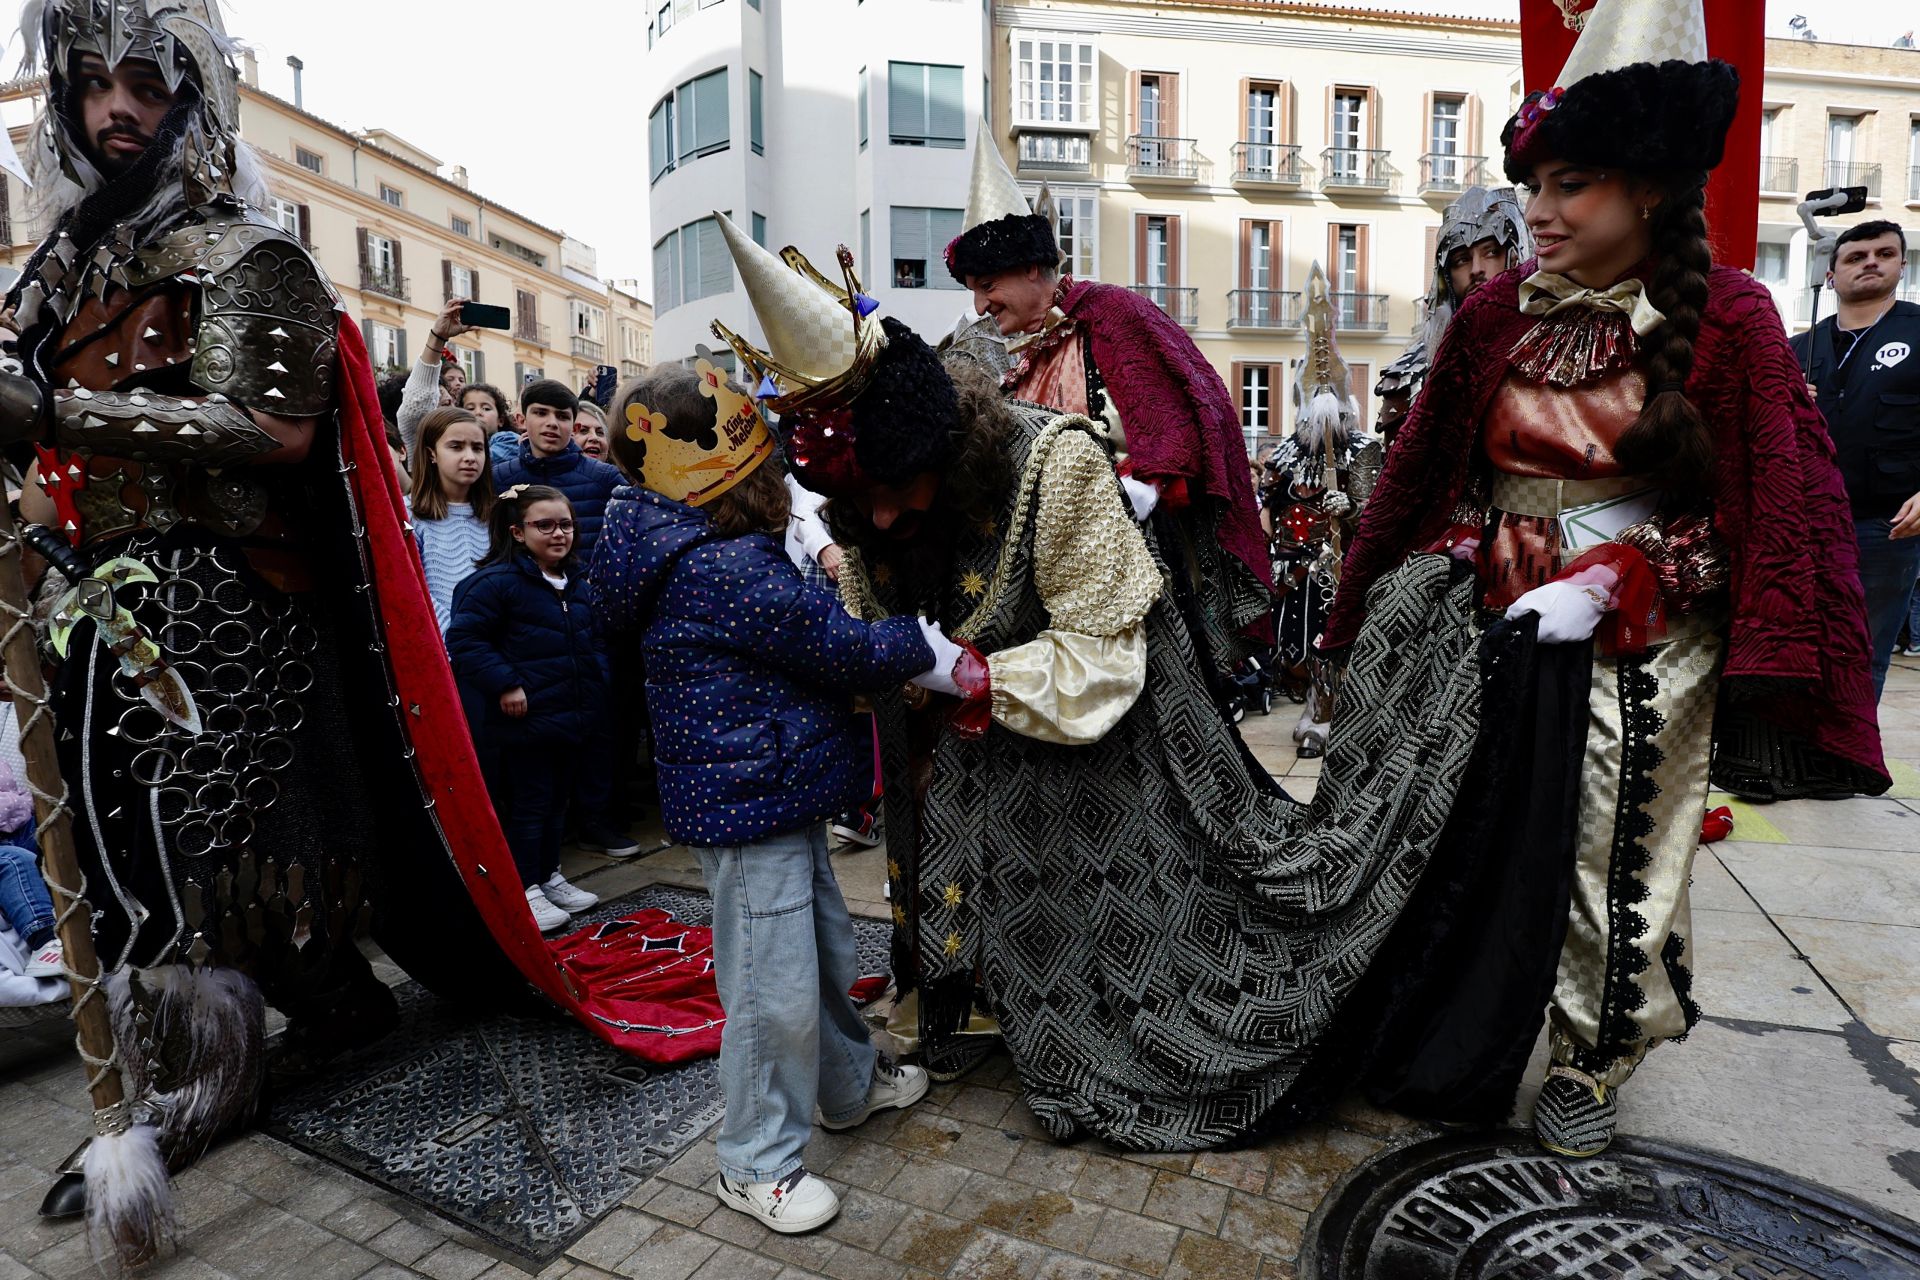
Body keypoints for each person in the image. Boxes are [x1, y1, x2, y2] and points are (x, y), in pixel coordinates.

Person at [710, 214, 1488, 1147]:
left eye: (890, 488)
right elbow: (874, 613)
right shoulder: (870, 504)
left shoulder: (1059, 456)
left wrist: (959, 669)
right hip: (976, 752)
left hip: (1111, 741)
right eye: (855, 501)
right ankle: (980, 1001)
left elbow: (1103, 654)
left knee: (1147, 951)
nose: (875, 515)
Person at [1322, 0, 1887, 1157]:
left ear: (1649, 190)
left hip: (1645, 628)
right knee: (1469, 829)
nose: (1538, 212)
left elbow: (1767, 517)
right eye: (1532, 184)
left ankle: (1592, 1054)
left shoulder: (1729, 316)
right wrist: (1417, 570)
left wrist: (1620, 577)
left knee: (1614, 841)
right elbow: (1431, 476)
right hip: (1497, 608)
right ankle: (1458, 1020)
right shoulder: (1493, 312)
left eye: (1569, 184)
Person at [0, 0, 530, 1214]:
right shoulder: (65, 275)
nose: (116, 107)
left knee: (218, 850)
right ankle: (244, 1037)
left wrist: (56, 418)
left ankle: (255, 1052)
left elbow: (275, 433)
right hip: (89, 598)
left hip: (229, 605)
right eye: (94, 85)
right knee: (118, 841)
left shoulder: (248, 256)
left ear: (188, 100)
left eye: (143, 82)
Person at [592, 357, 934, 1234]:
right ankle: (753, 1162)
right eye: (772, 466)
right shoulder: (723, 565)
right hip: (750, 806)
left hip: (767, 793)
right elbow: (842, 649)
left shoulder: (672, 534)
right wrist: (933, 645)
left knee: (816, 958)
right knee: (769, 991)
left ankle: (850, 1090)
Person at [946, 140, 1273, 678]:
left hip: (1129, 557)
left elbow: (1175, 424)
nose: (980, 305)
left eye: (988, 286)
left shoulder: (1111, 313)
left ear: (1033, 269)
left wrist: (1124, 505)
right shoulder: (986, 351)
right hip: (1024, 569)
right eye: (973, 290)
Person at [448, 484, 606, 933]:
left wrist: (597, 686)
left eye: (566, 524)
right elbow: (464, 640)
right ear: (517, 532)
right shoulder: (493, 584)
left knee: (558, 801)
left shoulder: (575, 582)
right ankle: (524, 885)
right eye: (545, 525)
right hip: (524, 720)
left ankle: (548, 873)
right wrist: (507, 683)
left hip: (569, 714)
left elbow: (589, 641)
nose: (559, 533)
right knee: (529, 804)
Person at [1790, 220, 1920, 700]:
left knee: (1863, 651)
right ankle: (1796, 760)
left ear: (1901, 266)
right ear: (1830, 275)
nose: (1870, 262)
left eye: (1884, 254)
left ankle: (1850, 764)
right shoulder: (1798, 349)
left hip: (1886, 525)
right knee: (1798, 646)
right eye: (1855, 256)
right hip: (1803, 523)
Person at [1267, 264, 1381, 758]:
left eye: (1329, 392)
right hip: (1295, 571)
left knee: (1332, 645)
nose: (1322, 403)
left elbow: (1376, 518)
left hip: (1340, 570)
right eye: (1314, 394)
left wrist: (1350, 509)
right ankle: (1309, 704)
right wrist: (1274, 551)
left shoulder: (1362, 451)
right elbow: (1269, 507)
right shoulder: (1287, 453)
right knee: (1294, 647)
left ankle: (1325, 717)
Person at [1374, 185, 1530, 448]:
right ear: (1446, 277)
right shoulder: (1409, 375)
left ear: (1513, 256)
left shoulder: (1549, 347)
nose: (1477, 270)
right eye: (1461, 260)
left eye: (1491, 252)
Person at [494, 379, 625, 565]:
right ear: (521, 420)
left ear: (573, 427)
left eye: (562, 416)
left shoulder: (605, 478)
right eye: (541, 413)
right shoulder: (499, 478)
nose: (552, 423)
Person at [410, 406, 495, 634]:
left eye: (477, 448)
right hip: (441, 645)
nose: (470, 457)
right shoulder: (409, 514)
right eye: (456, 447)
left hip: (495, 645)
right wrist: (458, 639)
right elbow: (415, 589)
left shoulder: (496, 514)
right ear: (431, 454)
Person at [398, 297, 478, 460]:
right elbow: (419, 400)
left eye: (478, 447)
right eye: (438, 404)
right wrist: (438, 337)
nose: (469, 458)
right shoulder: (419, 443)